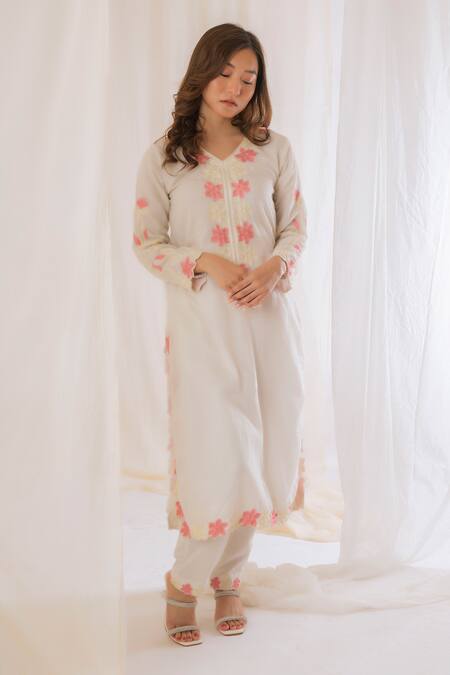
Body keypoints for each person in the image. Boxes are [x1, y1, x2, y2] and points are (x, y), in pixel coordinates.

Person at [132, 22, 307, 646]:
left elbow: (294, 228)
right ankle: (184, 581)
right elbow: (146, 244)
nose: (235, 87)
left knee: (262, 449)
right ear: (202, 73)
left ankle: (229, 577)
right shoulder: (166, 158)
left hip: (268, 322)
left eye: (249, 79)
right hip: (203, 328)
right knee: (218, 452)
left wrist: (273, 266)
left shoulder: (273, 150)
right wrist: (206, 260)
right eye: (225, 73)